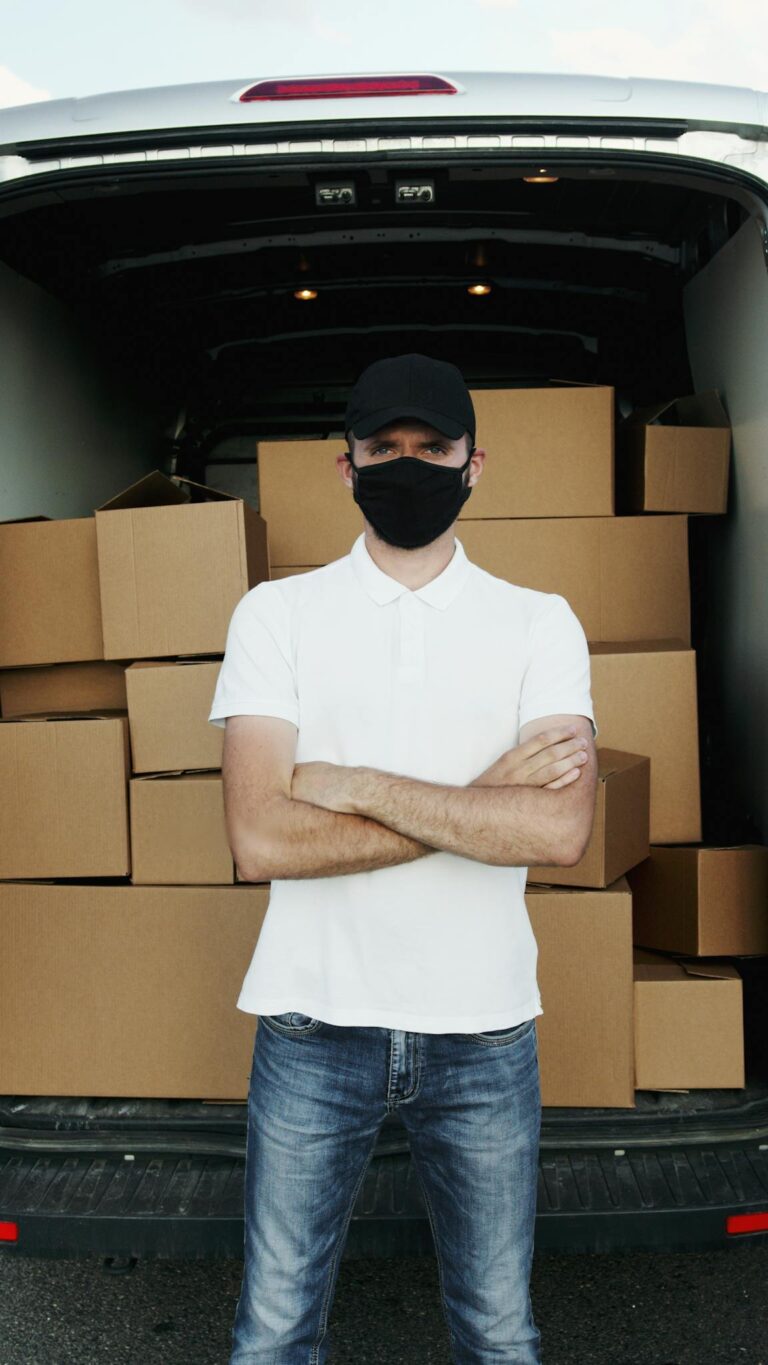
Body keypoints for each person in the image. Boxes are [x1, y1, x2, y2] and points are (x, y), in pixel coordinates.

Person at [208, 353, 598, 1365]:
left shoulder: (540, 621)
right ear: (346, 466)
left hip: (484, 1031)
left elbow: (558, 831)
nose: (409, 465)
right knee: (272, 1334)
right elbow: (259, 841)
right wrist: (482, 800)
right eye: (384, 448)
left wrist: (356, 784)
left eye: (433, 447)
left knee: (499, 1334)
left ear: (475, 464)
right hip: (312, 1022)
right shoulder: (276, 616)